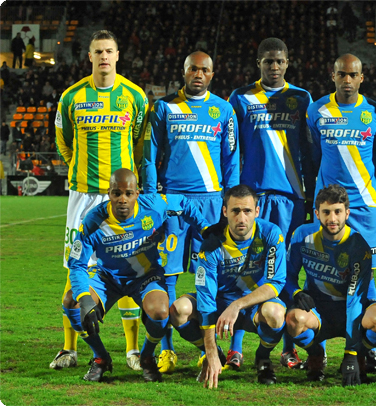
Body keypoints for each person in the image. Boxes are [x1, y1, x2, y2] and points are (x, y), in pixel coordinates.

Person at [52, 30, 148, 371]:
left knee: (127, 264)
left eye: (109, 50)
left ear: (117, 55)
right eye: (98, 51)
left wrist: (127, 183)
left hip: (121, 196)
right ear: (89, 56)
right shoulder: (71, 97)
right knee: (74, 266)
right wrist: (79, 172)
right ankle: (69, 348)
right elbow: (63, 142)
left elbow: (139, 143)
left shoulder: (135, 96)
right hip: (82, 194)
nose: (104, 56)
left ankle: (132, 351)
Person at [63, 168, 211, 382]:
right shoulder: (93, 220)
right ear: (109, 194)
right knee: (72, 303)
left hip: (145, 276)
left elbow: (183, 203)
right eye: (116, 193)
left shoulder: (153, 206)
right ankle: (100, 358)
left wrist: (205, 228)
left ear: (137, 194)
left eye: (128, 193)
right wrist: (84, 298)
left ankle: (147, 357)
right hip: (107, 277)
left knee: (161, 312)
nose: (122, 199)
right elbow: (76, 264)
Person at [142, 51, 240, 374]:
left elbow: (231, 160)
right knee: (167, 274)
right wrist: (153, 198)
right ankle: (167, 350)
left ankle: (205, 347)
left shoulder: (224, 110)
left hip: (211, 203)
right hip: (172, 203)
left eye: (204, 70)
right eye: (193, 69)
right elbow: (149, 155)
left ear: (212, 74)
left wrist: (230, 203)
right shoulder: (164, 107)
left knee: (207, 275)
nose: (198, 74)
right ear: (184, 72)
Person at [228, 37, 313, 370]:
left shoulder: (301, 98)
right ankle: (235, 347)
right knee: (243, 267)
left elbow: (309, 151)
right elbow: (232, 149)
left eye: (279, 61)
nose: (274, 67)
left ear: (287, 63)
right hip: (253, 198)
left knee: (288, 270)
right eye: (268, 61)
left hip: (291, 197)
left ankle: (288, 347)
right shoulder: (241, 97)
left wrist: (310, 194)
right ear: (259, 63)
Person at [169, 184, 287, 388]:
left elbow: (275, 283)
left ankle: (263, 357)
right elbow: (206, 297)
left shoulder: (271, 234)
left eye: (247, 211)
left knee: (275, 313)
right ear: (225, 211)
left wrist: (237, 305)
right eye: (235, 211)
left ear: (257, 211)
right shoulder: (212, 244)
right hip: (219, 304)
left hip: (253, 306)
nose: (241, 218)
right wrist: (210, 352)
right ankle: (216, 354)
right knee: (179, 310)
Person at [284, 185, 376, 385]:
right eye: (326, 212)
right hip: (319, 308)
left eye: (337, 212)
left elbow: (355, 299)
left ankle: (361, 354)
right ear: (317, 213)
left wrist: (351, 353)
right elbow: (288, 276)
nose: (332, 219)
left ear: (347, 213)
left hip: (353, 308)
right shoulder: (302, 235)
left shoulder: (358, 245)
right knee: (293, 320)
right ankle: (316, 353)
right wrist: (297, 292)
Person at [307, 53, 376, 272]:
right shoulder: (316, 110)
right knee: (325, 270)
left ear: (361, 78)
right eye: (342, 74)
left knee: (366, 272)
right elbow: (314, 154)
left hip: (365, 202)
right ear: (333, 76)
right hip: (328, 205)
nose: (347, 80)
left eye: (353, 75)